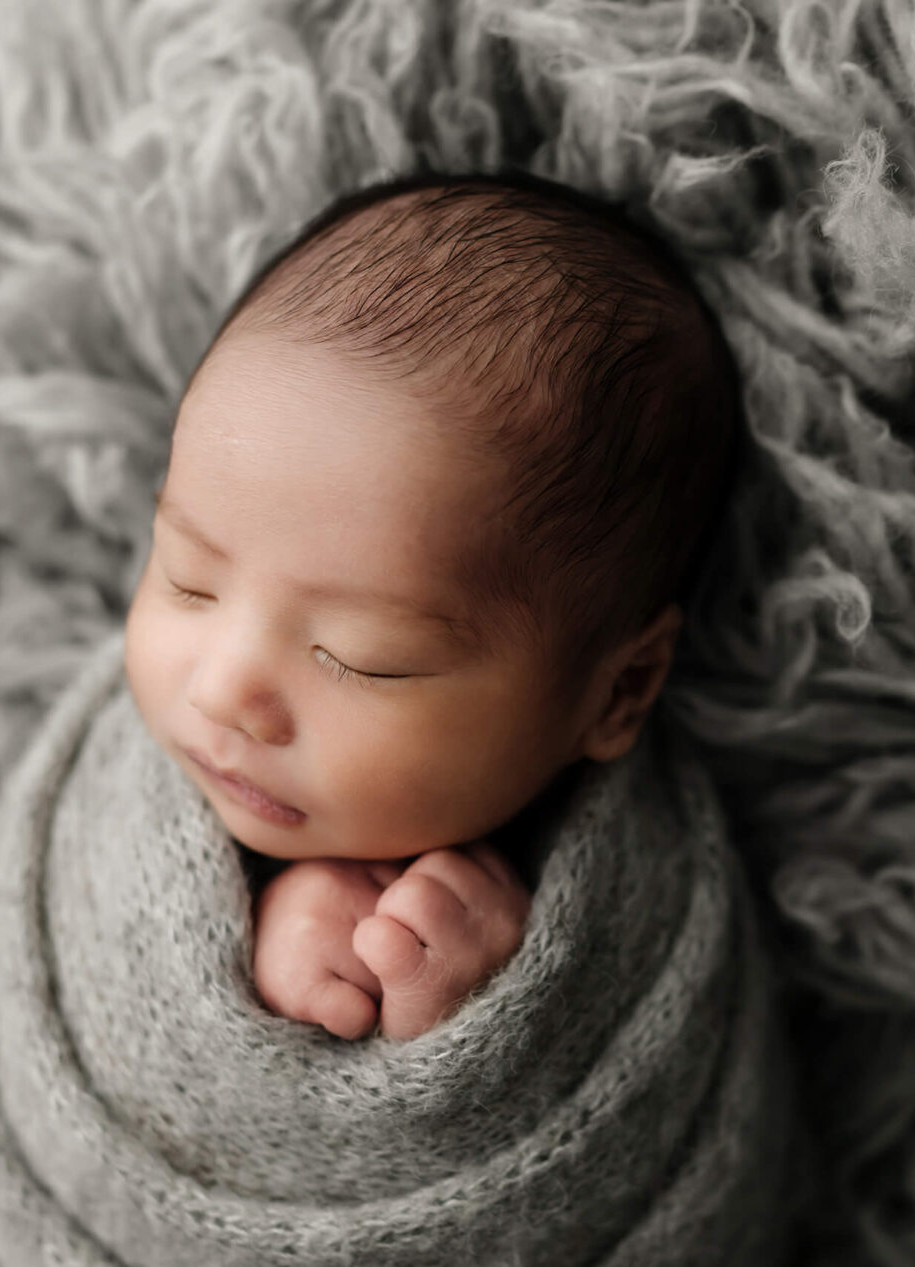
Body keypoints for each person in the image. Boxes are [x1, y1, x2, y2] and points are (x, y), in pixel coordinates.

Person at [122, 168, 744, 1042]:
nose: (220, 691)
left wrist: (472, 1018)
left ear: (620, 691)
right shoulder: (130, 781)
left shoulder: (648, 889)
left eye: (361, 656)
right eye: (187, 578)